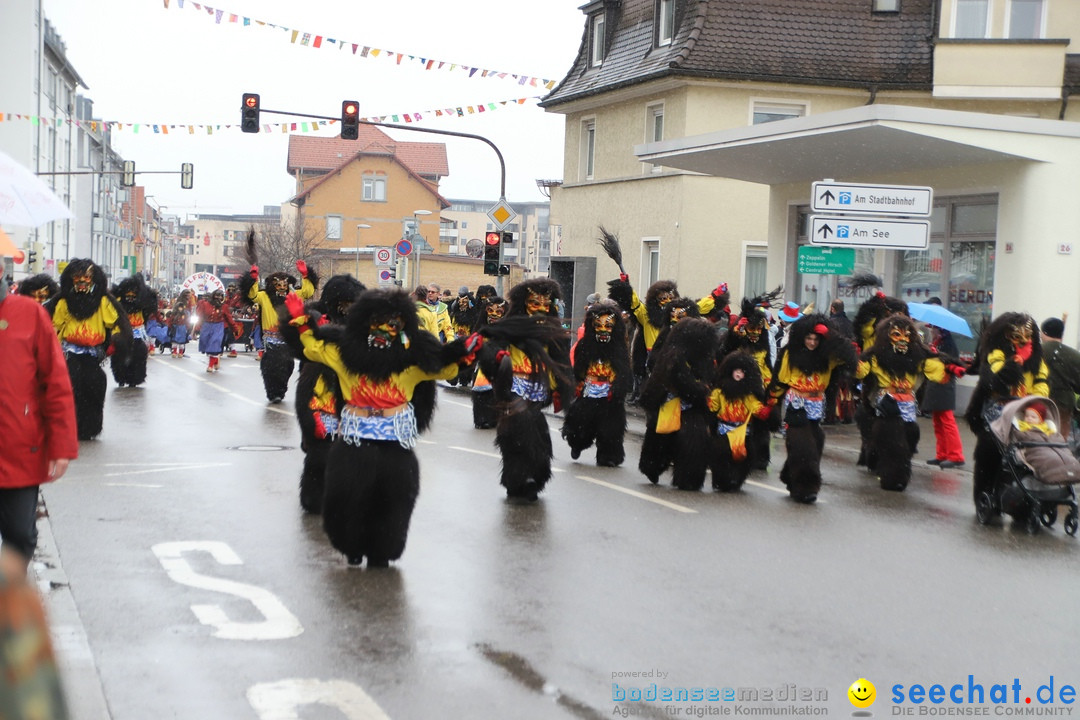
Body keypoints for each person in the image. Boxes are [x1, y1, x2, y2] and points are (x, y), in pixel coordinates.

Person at [280, 287, 479, 566]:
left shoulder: (412, 364)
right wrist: (300, 320)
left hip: (395, 447)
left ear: (403, 329)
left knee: (393, 501)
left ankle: (382, 549)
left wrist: (467, 350)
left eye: (393, 324)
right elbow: (312, 347)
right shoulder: (342, 356)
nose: (384, 330)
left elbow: (445, 368)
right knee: (347, 497)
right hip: (353, 444)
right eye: (376, 323)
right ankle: (350, 544)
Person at [0, 277, 78, 565]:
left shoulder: (29, 314)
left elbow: (55, 382)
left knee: (20, 534)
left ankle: (11, 598)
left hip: (17, 449)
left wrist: (61, 446)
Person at [476, 278, 573, 501]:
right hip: (514, 388)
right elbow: (489, 350)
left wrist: (564, 389)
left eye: (545, 304)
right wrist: (497, 360)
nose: (540, 309)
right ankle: (520, 477)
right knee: (520, 431)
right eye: (534, 304)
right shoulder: (509, 327)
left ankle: (532, 476)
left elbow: (562, 363)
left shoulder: (554, 330)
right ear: (523, 304)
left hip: (538, 390)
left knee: (539, 433)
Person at [964, 312, 1049, 511]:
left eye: (1027, 336)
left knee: (1028, 456)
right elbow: (998, 380)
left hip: (1026, 412)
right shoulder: (996, 354)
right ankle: (985, 498)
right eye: (1017, 336)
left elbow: (1042, 384)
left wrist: (1033, 403)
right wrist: (1016, 362)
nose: (1023, 341)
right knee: (990, 453)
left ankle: (1023, 502)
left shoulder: (1038, 360)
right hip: (999, 410)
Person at [768, 314, 856, 503]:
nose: (812, 342)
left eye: (816, 339)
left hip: (817, 403)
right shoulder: (790, 354)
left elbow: (849, 357)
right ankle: (805, 486)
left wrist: (831, 336)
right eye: (808, 338)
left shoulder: (829, 357)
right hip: (796, 403)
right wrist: (770, 402)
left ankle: (791, 475)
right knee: (803, 447)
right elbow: (780, 381)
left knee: (815, 443)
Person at [48, 259, 133, 441]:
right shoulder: (64, 302)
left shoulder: (103, 302)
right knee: (71, 388)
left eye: (86, 277)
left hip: (93, 354)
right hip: (70, 353)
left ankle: (90, 427)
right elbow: (55, 326)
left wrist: (116, 342)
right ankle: (70, 427)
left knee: (93, 387)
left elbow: (116, 323)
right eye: (77, 277)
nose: (82, 281)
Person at [561, 298, 632, 467]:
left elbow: (625, 373)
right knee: (580, 425)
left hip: (610, 394)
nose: (603, 330)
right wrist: (577, 384)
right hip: (589, 391)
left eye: (608, 326)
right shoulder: (584, 346)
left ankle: (609, 456)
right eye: (598, 326)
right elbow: (578, 370)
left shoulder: (620, 348)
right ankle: (577, 443)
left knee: (611, 429)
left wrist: (617, 389)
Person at [242, 260, 318, 402]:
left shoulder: (294, 295)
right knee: (270, 366)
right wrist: (253, 280)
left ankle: (281, 389)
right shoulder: (264, 297)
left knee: (288, 366)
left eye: (285, 284)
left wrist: (306, 275)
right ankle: (273, 391)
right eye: (278, 284)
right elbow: (252, 295)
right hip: (270, 340)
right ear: (272, 284)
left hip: (288, 339)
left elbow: (308, 291)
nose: (282, 287)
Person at [921, 297, 967, 467]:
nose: (931, 330)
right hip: (936, 384)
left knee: (947, 421)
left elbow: (951, 362)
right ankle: (942, 453)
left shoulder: (948, 343)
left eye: (933, 328)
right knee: (938, 420)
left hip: (945, 384)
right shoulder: (938, 342)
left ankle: (956, 456)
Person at [1039, 317, 1080, 440]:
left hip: (1038, 401)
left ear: (1044, 333)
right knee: (1060, 440)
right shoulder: (1074, 355)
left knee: (1038, 438)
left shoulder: (1036, 352)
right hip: (1063, 405)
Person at [196, 288, 241, 373]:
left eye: (221, 296)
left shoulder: (224, 307)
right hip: (207, 325)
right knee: (206, 343)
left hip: (218, 326)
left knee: (214, 343)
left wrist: (234, 329)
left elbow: (229, 319)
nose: (219, 298)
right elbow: (200, 317)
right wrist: (197, 328)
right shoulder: (205, 304)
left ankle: (210, 365)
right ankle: (215, 359)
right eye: (217, 295)